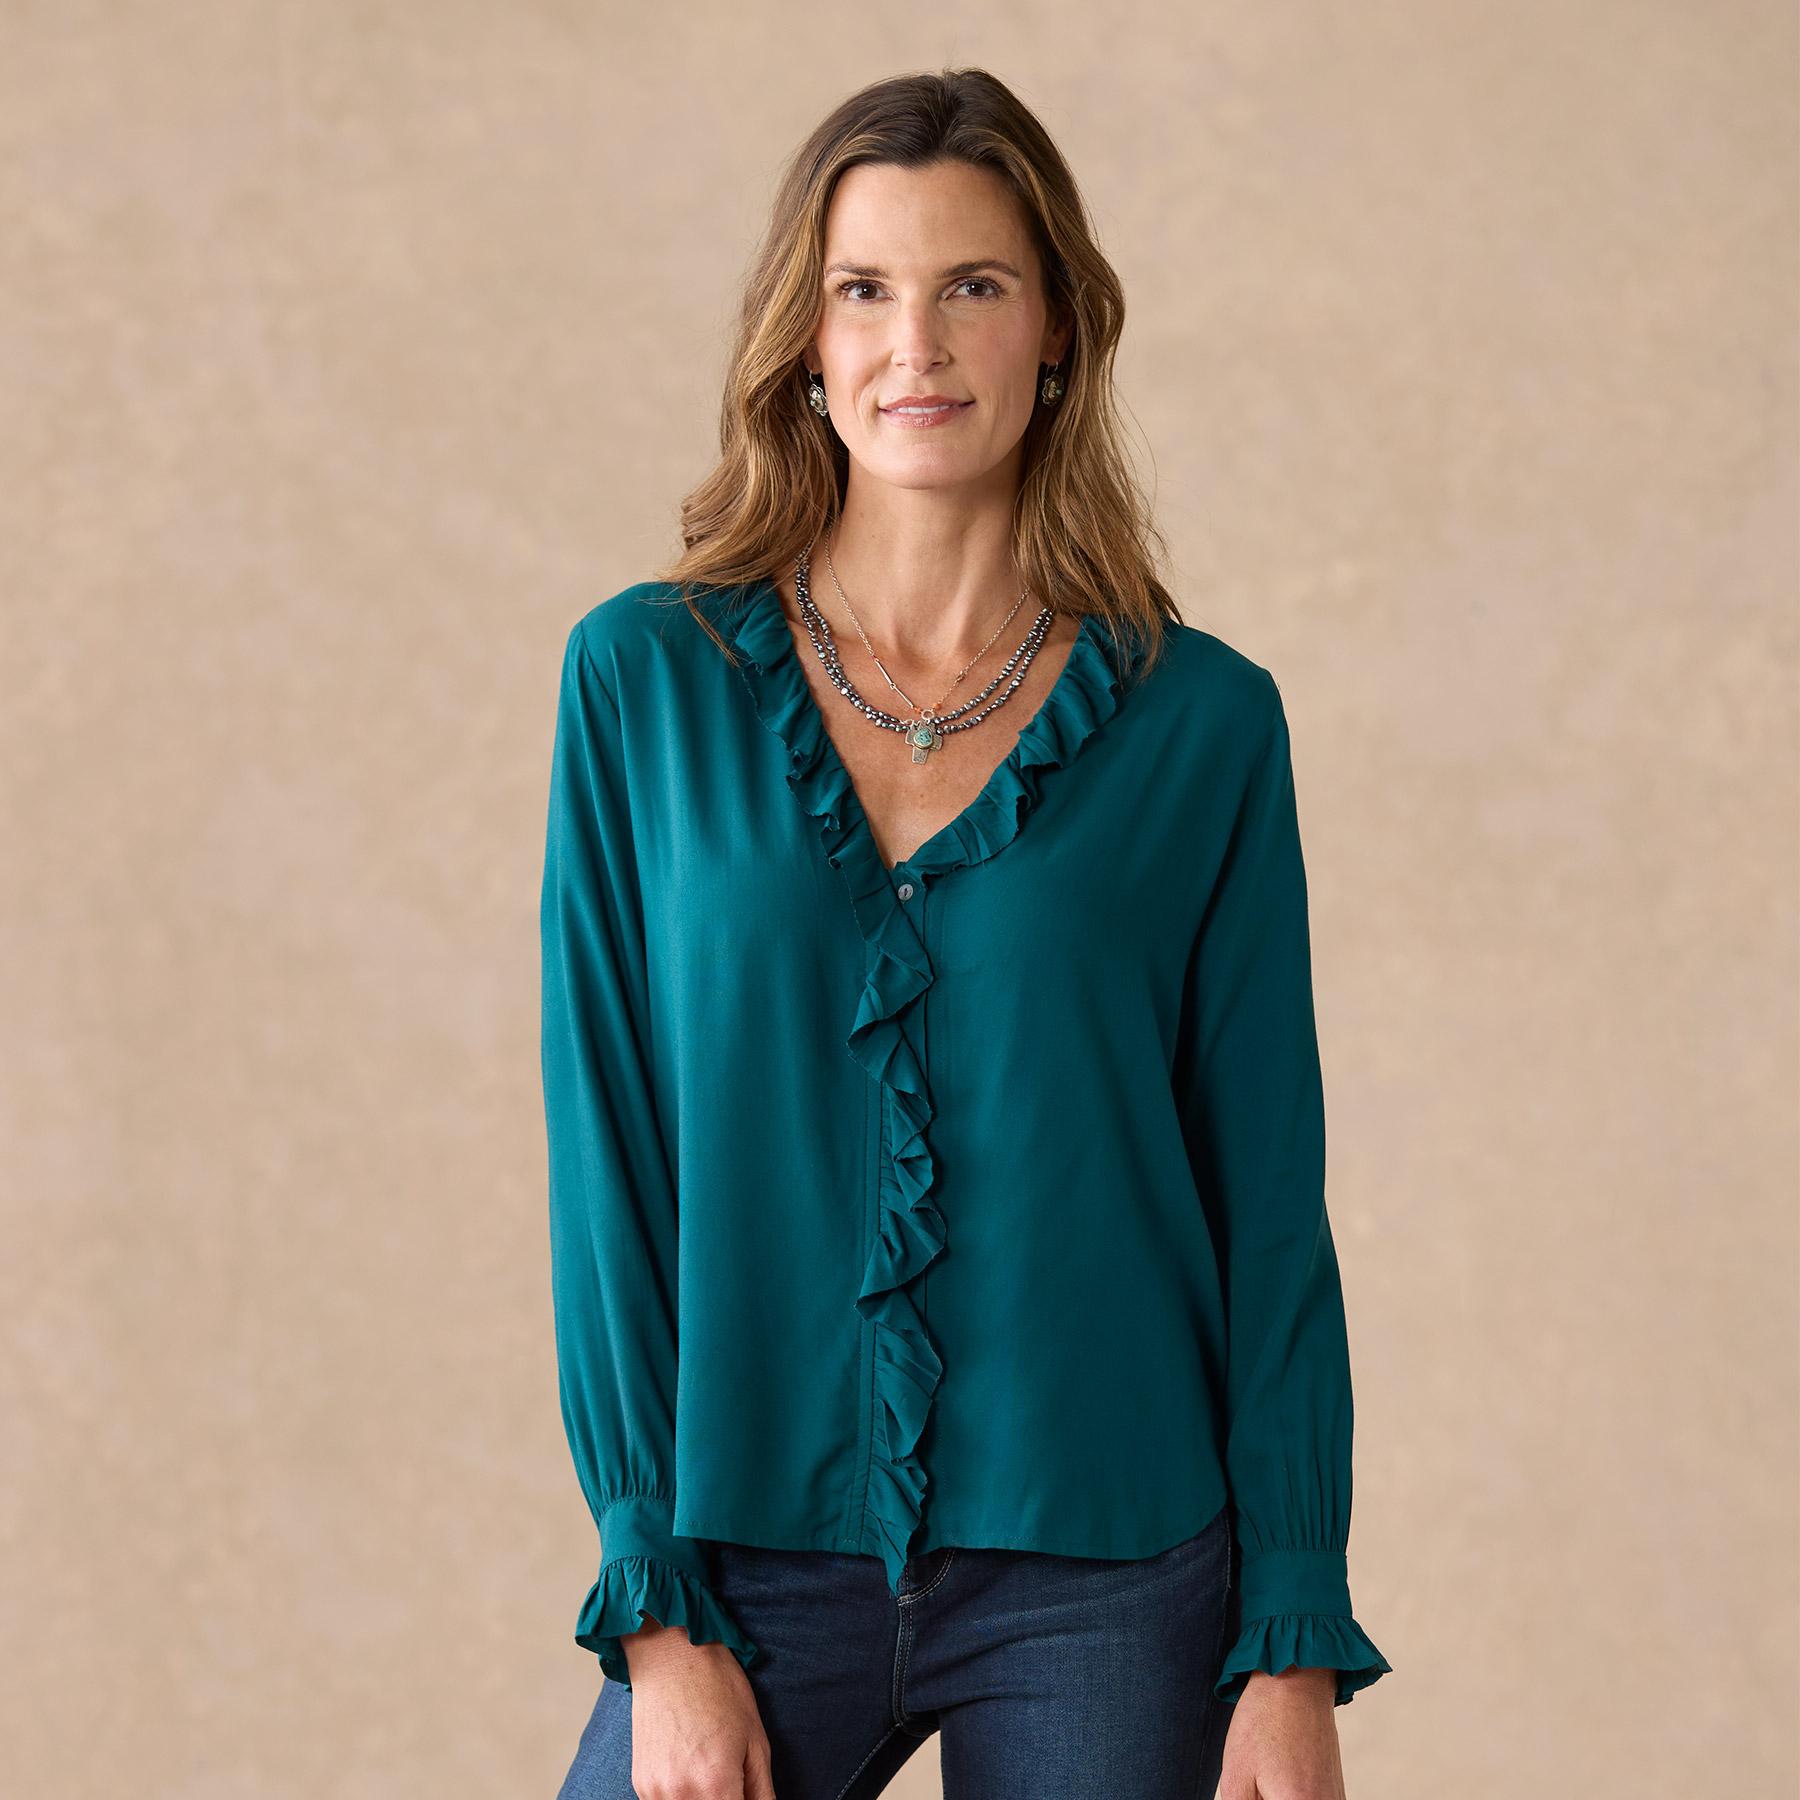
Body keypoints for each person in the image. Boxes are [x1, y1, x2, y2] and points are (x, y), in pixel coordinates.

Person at [541, 67, 1391, 1800]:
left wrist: (1291, 1637)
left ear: (1057, 328)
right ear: (805, 339)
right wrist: (657, 1611)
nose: (914, 346)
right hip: (746, 1550)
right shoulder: (643, 684)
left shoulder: (1204, 725)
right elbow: (608, 1156)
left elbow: (1267, 1196)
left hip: (1114, 1563)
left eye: (972, 287)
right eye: (865, 289)